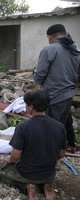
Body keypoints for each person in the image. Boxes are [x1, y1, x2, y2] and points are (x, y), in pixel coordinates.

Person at [0, 90, 66, 200]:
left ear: (31, 107)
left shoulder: (23, 127)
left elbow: (15, 156)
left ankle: (28, 187)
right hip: (49, 173)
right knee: (45, 174)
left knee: (2, 174)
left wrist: (9, 160)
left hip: (27, 173)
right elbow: (62, 153)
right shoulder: (60, 126)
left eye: (26, 105)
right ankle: (47, 185)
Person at [33, 24, 80, 153]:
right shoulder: (75, 51)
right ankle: (66, 148)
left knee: (52, 126)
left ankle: (52, 155)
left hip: (54, 96)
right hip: (68, 95)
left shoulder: (50, 50)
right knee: (63, 123)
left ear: (50, 37)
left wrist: (37, 82)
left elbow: (40, 74)